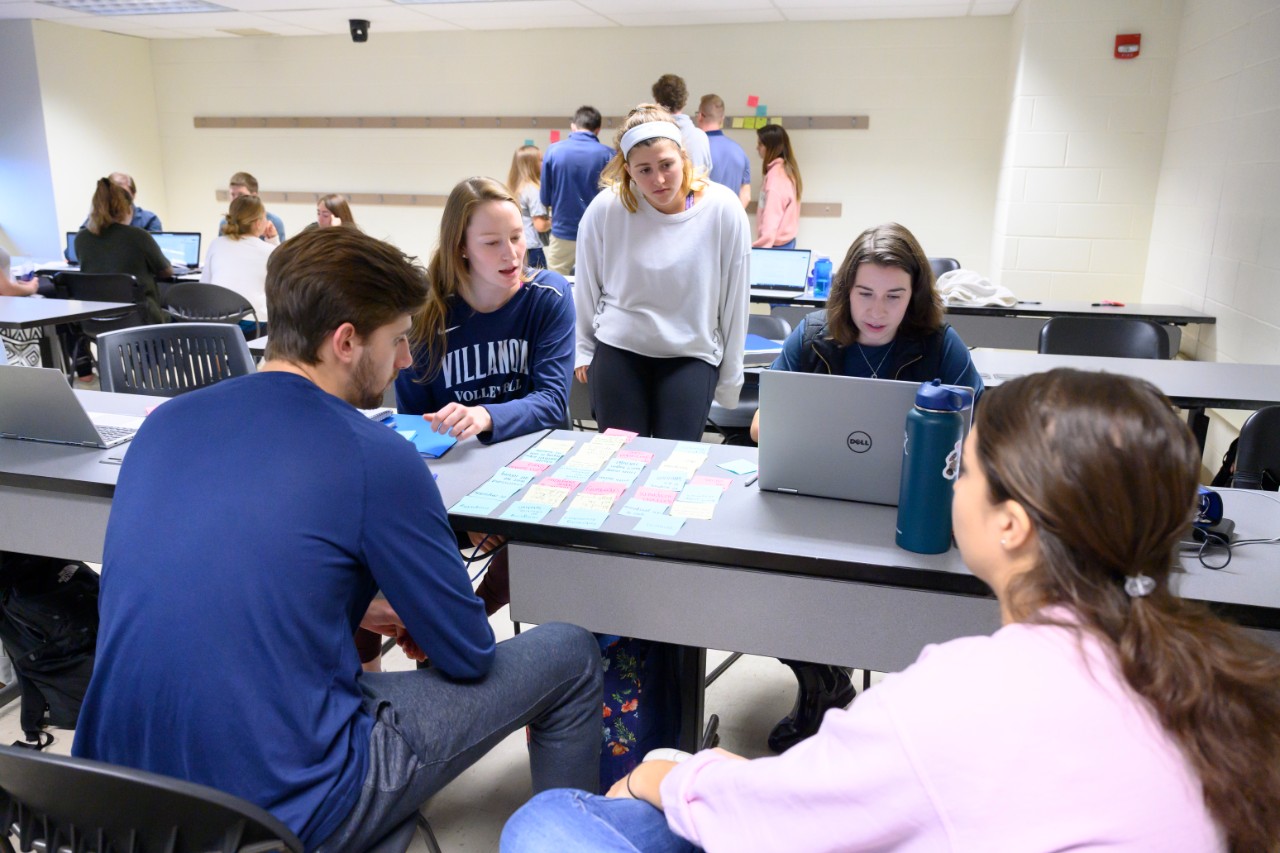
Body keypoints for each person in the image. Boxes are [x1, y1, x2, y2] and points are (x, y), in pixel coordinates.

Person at [502, 368, 1280, 852]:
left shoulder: (967, 695)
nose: (947, 479)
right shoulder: (1194, 672)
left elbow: (790, 820)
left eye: (960, 466)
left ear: (1011, 525)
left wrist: (667, 776)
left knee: (545, 825)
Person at [73, 227, 602, 853]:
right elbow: (467, 654)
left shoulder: (163, 425)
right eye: (399, 339)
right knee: (569, 652)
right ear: (346, 342)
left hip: (107, 800)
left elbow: (226, 575)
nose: (408, 360)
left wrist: (364, 604)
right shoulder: (374, 453)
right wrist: (425, 615)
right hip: (280, 809)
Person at [747, 222, 983, 752]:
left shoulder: (940, 345)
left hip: (913, 504)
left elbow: (981, 425)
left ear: (915, 296)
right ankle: (821, 682)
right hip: (822, 497)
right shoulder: (811, 336)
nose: (877, 311)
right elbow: (761, 425)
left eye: (895, 296)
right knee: (770, 577)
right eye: (865, 294)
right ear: (845, 291)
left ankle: (891, 705)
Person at [394, 174, 573, 628]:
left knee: (542, 535)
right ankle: (425, 650)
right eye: (492, 242)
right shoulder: (427, 318)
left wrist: (483, 415)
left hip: (537, 471)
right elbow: (413, 430)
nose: (512, 254)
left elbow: (553, 402)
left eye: (517, 237)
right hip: (457, 477)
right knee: (386, 535)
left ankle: (466, 620)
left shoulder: (549, 297)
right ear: (462, 248)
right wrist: (462, 510)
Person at [575, 104, 750, 441]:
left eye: (666, 165)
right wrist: (583, 349)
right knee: (620, 462)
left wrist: (731, 378)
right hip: (620, 349)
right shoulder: (607, 209)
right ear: (627, 169)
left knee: (675, 461)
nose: (657, 179)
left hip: (690, 353)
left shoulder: (722, 209)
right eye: (643, 170)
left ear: (683, 156)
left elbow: (735, 301)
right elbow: (586, 286)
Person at [74, 177, 172, 326]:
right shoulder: (138, 236)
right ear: (126, 208)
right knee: (177, 315)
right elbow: (166, 272)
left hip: (95, 320)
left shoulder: (81, 239)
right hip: (140, 319)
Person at [539, 105, 613, 275]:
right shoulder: (609, 155)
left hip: (562, 231)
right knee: (596, 281)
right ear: (598, 129)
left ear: (573, 126)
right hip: (596, 233)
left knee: (558, 281)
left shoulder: (553, 151)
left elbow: (545, 198)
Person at [200, 194, 278, 332]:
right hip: (254, 325)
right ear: (258, 223)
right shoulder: (269, 251)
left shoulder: (216, 244)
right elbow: (280, 287)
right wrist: (273, 240)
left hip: (217, 323)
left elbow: (204, 285)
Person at [695, 94, 750, 208]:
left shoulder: (696, 149)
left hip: (704, 220)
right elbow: (746, 195)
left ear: (700, 116)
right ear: (722, 119)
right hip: (729, 220)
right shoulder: (739, 151)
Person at [651, 74, 712, 175]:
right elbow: (706, 173)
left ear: (657, 101)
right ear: (684, 100)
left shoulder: (650, 136)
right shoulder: (699, 137)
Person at [752, 124, 801, 249]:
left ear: (770, 147)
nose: (757, 148)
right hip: (785, 243)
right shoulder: (785, 170)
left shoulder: (776, 178)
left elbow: (771, 217)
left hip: (776, 246)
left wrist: (760, 249)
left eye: (760, 144)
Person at [507, 145, 551, 269]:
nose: (544, 163)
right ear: (531, 164)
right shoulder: (533, 190)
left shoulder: (514, 188)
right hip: (533, 250)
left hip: (518, 245)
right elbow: (540, 225)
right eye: (541, 160)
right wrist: (555, 220)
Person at [219, 171, 285, 242]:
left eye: (240, 194)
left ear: (254, 196)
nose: (236, 200)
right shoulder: (225, 223)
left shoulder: (274, 222)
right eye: (232, 194)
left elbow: (281, 252)